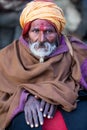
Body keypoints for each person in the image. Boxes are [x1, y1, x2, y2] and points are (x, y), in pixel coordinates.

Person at [0, 0, 87, 130]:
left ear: (58, 33)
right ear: (26, 34)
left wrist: (53, 94)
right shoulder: (7, 57)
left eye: (48, 32)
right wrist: (24, 97)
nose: (41, 39)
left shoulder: (77, 52)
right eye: (35, 31)